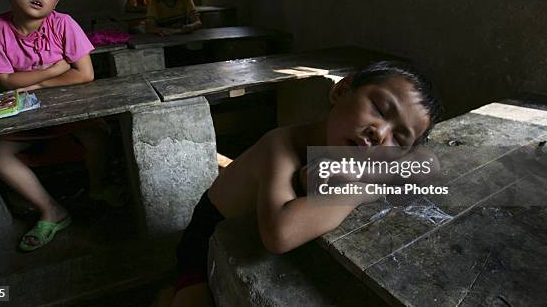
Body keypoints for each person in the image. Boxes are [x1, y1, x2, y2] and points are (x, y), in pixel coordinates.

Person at [163, 61, 442, 306]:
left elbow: (427, 165)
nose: (380, 134)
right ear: (341, 91)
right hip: (207, 236)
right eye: (380, 109)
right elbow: (280, 234)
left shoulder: (355, 156)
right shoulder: (281, 145)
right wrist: (361, 190)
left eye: (400, 138)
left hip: (254, 231)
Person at [0, 0, 113, 252]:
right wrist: (55, 69)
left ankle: (97, 190)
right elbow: (6, 82)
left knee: (97, 136)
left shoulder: (64, 24)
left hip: (68, 111)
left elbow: (85, 75)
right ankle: (51, 209)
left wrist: (36, 85)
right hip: (24, 116)